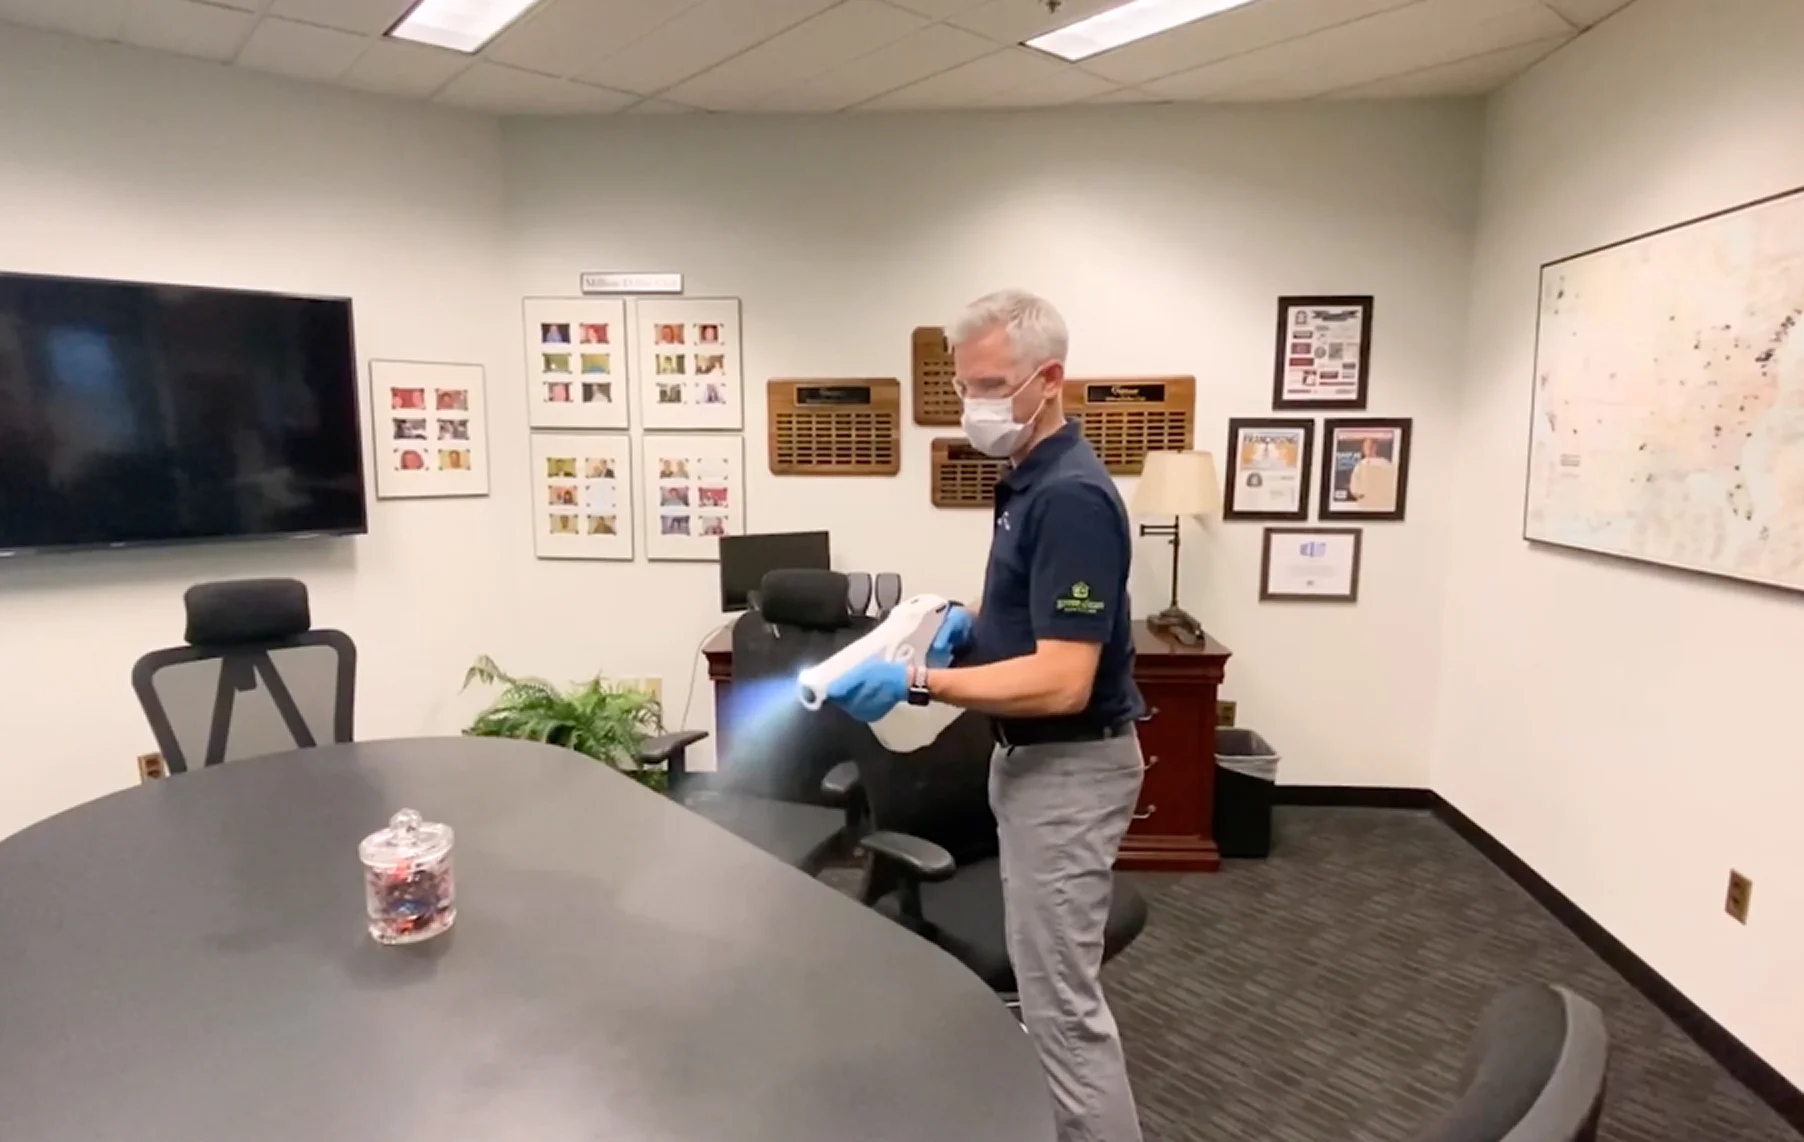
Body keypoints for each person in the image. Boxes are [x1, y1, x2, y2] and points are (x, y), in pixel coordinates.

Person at [824, 289, 1145, 1142]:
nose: (977, 406)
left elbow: (1064, 679)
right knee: (1047, 996)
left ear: (1051, 380)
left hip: (1070, 768)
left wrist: (923, 682)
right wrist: (963, 621)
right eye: (967, 386)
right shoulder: (1027, 479)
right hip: (1031, 765)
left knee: (1063, 1012)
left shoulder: (1072, 496)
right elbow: (1034, 619)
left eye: (994, 385)